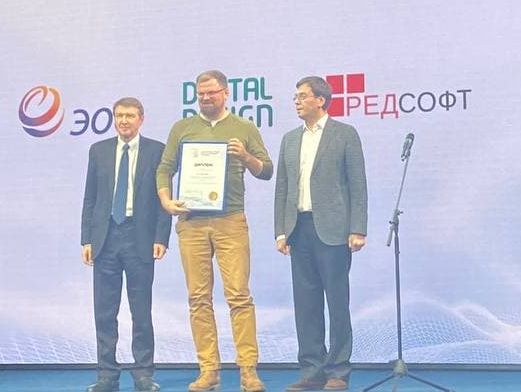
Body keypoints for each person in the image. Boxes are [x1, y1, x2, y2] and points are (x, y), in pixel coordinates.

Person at [157, 70, 274, 392]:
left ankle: (248, 370)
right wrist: (166, 200)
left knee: (238, 295)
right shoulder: (182, 128)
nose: (206, 98)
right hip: (191, 222)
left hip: (230, 220)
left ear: (225, 93)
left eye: (212, 92)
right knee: (198, 298)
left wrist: (245, 156)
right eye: (201, 94)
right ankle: (208, 370)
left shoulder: (244, 127)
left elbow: (266, 170)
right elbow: (165, 168)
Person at [275, 77, 368, 391]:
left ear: (321, 100)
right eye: (295, 96)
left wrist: (357, 228)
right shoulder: (290, 139)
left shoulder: (344, 134)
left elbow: (358, 185)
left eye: (303, 96)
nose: (297, 101)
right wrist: (280, 231)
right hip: (298, 229)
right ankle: (312, 370)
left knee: (337, 302)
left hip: (334, 231)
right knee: (306, 304)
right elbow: (282, 188)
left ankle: (338, 371)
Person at [81, 97, 173, 392]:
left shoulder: (157, 151)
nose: (123, 121)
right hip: (105, 238)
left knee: (141, 310)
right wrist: (86, 239)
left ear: (141, 119)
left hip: (140, 237)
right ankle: (107, 375)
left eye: (130, 116)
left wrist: (161, 237)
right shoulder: (98, 150)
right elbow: (90, 198)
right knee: (104, 312)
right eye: (119, 115)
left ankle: (143, 374)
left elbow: (164, 198)